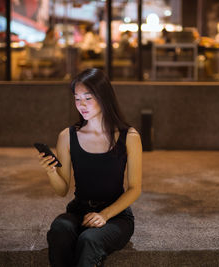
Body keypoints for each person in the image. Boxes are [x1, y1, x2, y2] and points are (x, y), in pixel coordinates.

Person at [38, 68, 142, 267]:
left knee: (90, 240)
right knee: (59, 229)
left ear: (104, 97)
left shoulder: (129, 137)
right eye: (77, 99)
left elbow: (135, 188)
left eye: (88, 98)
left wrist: (104, 215)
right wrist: (51, 171)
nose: (81, 105)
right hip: (79, 211)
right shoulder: (67, 137)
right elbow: (62, 190)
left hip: (116, 217)